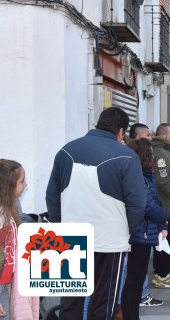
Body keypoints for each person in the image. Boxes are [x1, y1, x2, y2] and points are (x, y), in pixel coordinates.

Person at [46, 107, 146, 319]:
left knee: (70, 300)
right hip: (109, 240)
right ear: (121, 131)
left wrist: (58, 227)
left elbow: (52, 195)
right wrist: (125, 231)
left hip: (70, 237)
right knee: (103, 300)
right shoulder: (127, 156)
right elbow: (137, 203)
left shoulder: (66, 150)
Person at [121, 139, 168, 320]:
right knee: (134, 281)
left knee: (134, 281)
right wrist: (164, 216)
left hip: (140, 232)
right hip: (140, 234)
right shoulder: (141, 176)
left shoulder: (141, 175)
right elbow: (147, 205)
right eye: (151, 152)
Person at [0, 160, 39, 319]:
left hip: (6, 284)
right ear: (8, 186)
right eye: (22, 181)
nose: (26, 185)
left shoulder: (10, 208)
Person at [151, 123, 170, 288]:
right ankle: (161, 275)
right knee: (167, 241)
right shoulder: (160, 154)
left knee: (167, 241)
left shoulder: (164, 151)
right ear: (163, 136)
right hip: (166, 206)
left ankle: (161, 274)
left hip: (168, 205)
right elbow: (162, 180)